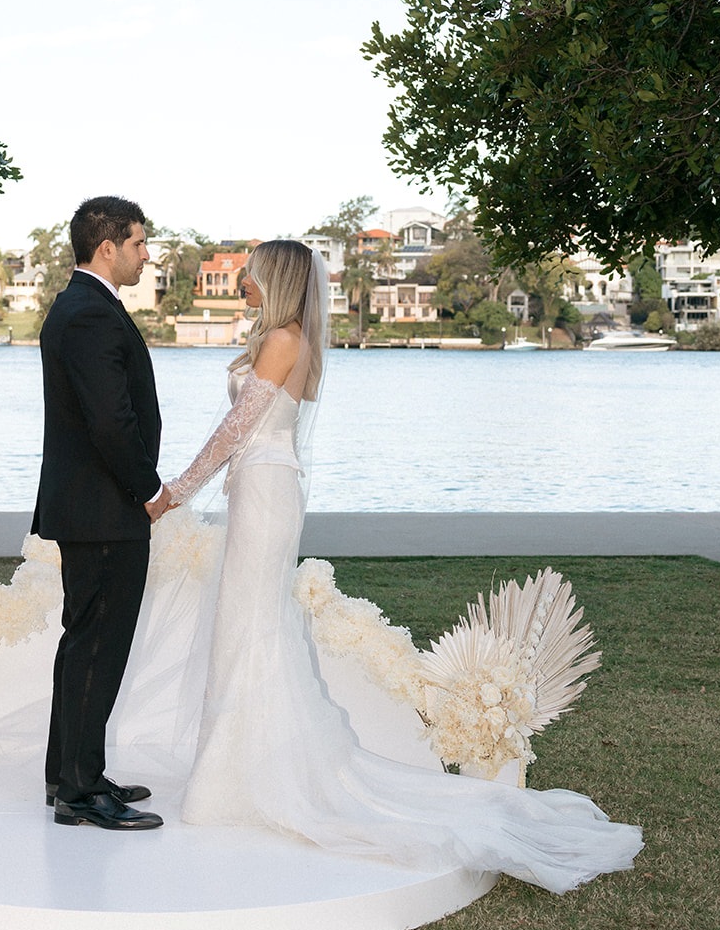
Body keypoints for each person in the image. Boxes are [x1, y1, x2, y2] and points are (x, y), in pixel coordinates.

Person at [164, 239, 642, 893]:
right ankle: (237, 770)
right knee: (247, 626)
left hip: (265, 492)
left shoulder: (281, 339)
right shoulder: (287, 338)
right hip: (262, 488)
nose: (241, 280)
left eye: (250, 273)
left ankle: (242, 777)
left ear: (274, 279)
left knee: (250, 626)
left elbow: (235, 430)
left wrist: (174, 493)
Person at [31, 196, 171, 831]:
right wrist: (148, 489)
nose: (147, 255)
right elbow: (110, 421)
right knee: (97, 647)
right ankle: (81, 793)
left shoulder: (81, 305)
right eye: (139, 243)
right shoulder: (90, 312)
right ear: (107, 247)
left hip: (91, 506)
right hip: (105, 508)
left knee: (82, 641)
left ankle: (69, 773)